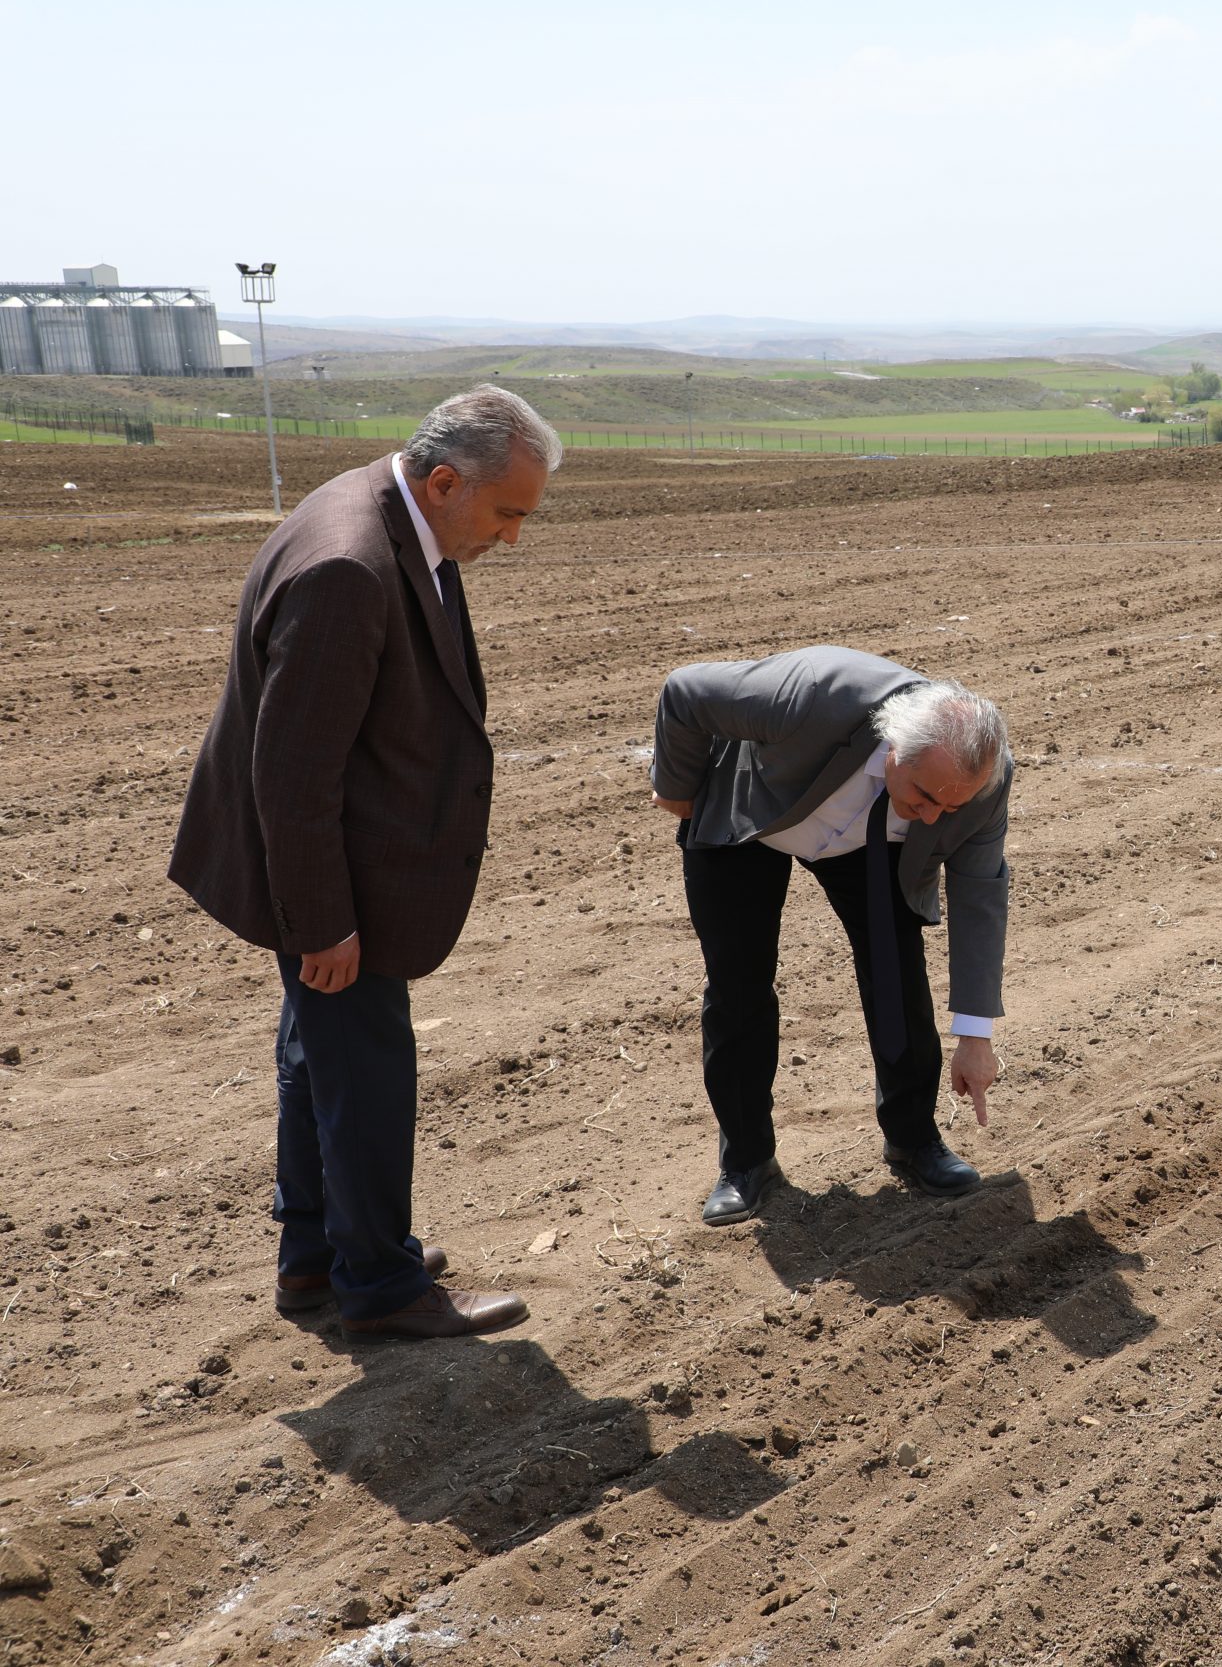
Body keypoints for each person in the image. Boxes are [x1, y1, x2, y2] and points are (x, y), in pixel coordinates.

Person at [168, 386, 559, 1340]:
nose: (512, 537)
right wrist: (326, 921)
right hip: (336, 881)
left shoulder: (389, 516)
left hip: (340, 867)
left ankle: (317, 1258)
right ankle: (379, 1284)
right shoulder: (350, 564)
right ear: (442, 480)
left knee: (321, 1060)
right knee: (366, 1071)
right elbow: (292, 773)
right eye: (507, 512)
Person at [648, 650, 1011, 1225]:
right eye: (925, 795)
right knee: (738, 986)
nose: (937, 817)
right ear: (892, 749)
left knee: (895, 972)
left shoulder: (979, 784)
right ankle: (746, 1160)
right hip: (756, 817)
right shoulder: (812, 695)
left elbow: (981, 898)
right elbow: (684, 690)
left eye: (952, 805)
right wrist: (676, 788)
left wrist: (975, 1033)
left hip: (872, 842)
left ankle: (914, 1140)